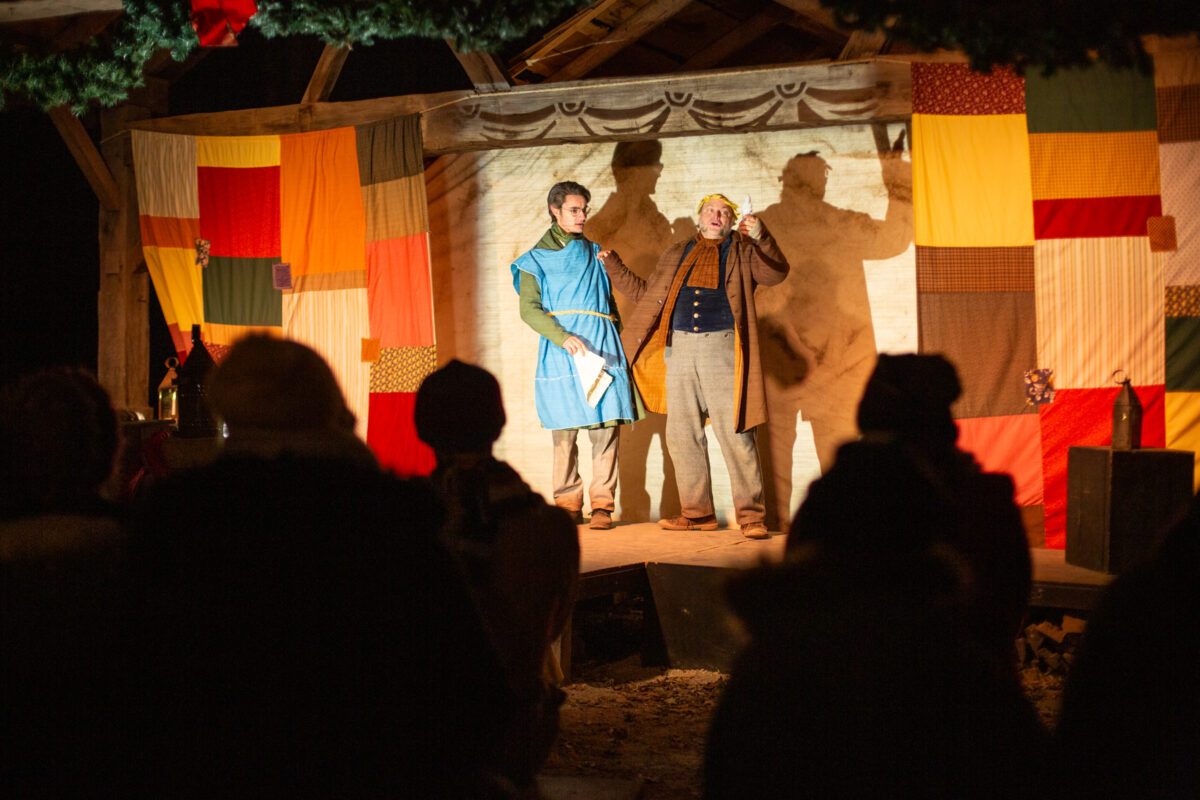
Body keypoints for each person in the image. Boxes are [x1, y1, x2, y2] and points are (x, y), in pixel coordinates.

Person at [124, 337, 516, 796]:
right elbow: (472, 690)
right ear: (332, 405)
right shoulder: (393, 516)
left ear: (225, 408)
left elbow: (136, 683)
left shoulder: (176, 519)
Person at [415, 359, 580, 792]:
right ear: (499, 424)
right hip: (520, 730)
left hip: (420, 732)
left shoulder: (398, 524)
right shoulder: (549, 526)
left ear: (422, 430)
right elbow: (552, 627)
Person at [602, 193, 790, 538]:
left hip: (723, 347)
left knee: (735, 431)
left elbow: (776, 273)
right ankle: (697, 512)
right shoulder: (678, 252)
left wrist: (762, 235)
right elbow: (649, 296)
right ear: (699, 217)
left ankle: (751, 517)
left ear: (732, 221)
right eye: (710, 210)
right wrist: (614, 266)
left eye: (723, 212)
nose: (716, 216)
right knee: (681, 433)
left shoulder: (744, 250)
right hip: (680, 348)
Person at [512, 180, 641, 530]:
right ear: (555, 211)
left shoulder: (598, 251)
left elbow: (612, 305)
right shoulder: (533, 259)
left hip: (601, 340)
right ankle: (567, 502)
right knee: (565, 429)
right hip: (563, 348)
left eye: (584, 209)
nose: (582, 215)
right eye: (574, 209)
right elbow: (529, 309)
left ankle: (602, 505)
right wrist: (561, 336)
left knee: (605, 426)